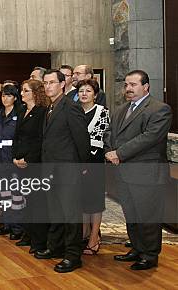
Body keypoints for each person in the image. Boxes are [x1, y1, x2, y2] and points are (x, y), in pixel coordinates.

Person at [105, 70, 172, 270]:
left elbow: (149, 138)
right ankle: (136, 248)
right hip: (124, 172)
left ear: (146, 86)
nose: (128, 89)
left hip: (146, 173)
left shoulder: (160, 109)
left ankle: (149, 255)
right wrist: (110, 151)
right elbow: (109, 132)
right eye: (126, 85)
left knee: (148, 217)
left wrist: (119, 153)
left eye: (133, 85)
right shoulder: (120, 109)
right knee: (131, 214)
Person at [34, 69, 90, 273]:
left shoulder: (71, 107)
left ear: (62, 84)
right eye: (45, 83)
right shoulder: (50, 107)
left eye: (52, 83)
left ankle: (73, 256)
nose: (48, 86)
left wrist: (83, 167)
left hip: (68, 170)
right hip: (50, 170)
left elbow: (82, 140)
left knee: (70, 215)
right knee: (55, 212)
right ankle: (55, 247)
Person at [13, 79, 49, 254]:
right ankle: (27, 235)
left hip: (34, 163)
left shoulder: (42, 112)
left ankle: (39, 241)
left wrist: (27, 158)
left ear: (35, 93)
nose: (21, 94)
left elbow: (41, 140)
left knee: (37, 203)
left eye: (25, 91)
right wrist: (15, 156)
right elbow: (17, 136)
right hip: (20, 162)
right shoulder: (21, 110)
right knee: (25, 201)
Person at [76, 79, 109, 255]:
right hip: (77, 161)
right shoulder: (75, 111)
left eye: (88, 91)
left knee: (95, 202)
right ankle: (84, 234)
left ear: (95, 95)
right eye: (81, 91)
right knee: (81, 200)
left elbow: (102, 139)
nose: (84, 94)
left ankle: (94, 238)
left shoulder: (102, 112)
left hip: (95, 162)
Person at [0, 84, 23, 240]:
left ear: (15, 98)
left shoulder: (20, 113)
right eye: (3, 95)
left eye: (9, 95)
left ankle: (17, 226)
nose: (5, 98)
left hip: (12, 156)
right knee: (3, 192)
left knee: (16, 193)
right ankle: (7, 224)